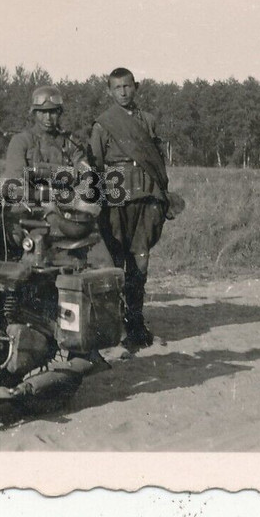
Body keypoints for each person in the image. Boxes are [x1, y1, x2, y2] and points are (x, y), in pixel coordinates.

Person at [89, 67, 170, 352]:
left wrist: (162, 194)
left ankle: (137, 324)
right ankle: (117, 329)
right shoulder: (103, 124)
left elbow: (157, 161)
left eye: (128, 86)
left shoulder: (148, 121)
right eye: (117, 88)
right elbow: (96, 165)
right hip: (116, 197)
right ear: (110, 92)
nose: (123, 92)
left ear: (136, 87)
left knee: (141, 262)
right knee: (116, 263)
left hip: (145, 196)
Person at [4, 85, 88, 181]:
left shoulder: (71, 142)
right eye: (42, 112)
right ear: (34, 113)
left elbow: (85, 177)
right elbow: (15, 182)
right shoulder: (21, 141)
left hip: (67, 195)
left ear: (59, 112)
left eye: (52, 112)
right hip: (31, 195)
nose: (48, 117)